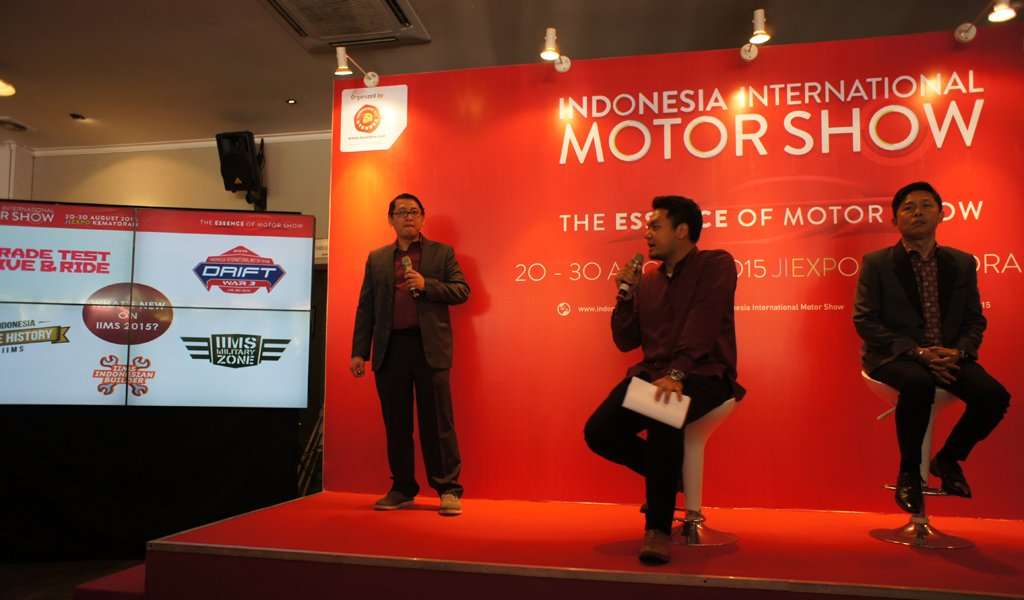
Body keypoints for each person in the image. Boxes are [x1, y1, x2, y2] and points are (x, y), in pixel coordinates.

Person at [584, 195, 744, 565]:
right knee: (599, 431)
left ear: (682, 230)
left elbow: (703, 323)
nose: (647, 234)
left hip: (705, 373)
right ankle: (670, 478)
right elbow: (626, 341)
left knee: (663, 410)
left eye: (656, 226)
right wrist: (625, 297)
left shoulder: (715, 265)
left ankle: (657, 528)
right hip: (653, 375)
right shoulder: (648, 281)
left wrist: (677, 373)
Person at [853, 181, 1010, 514]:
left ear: (941, 214)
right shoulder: (877, 263)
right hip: (895, 356)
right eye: (908, 208)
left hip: (948, 355)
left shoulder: (961, 263)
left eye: (926, 205)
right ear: (895, 219)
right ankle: (910, 473)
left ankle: (948, 459)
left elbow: (974, 319)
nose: (918, 213)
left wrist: (960, 352)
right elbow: (865, 320)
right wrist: (916, 352)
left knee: (994, 396)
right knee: (917, 382)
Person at [350, 192, 470, 516]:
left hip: (430, 348)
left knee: (438, 423)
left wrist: (427, 284)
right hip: (391, 349)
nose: (408, 217)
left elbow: (462, 290)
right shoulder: (377, 259)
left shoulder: (442, 253)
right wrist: (359, 351)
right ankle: (402, 487)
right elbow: (366, 307)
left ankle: (448, 489)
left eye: (414, 212)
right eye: (401, 212)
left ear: (422, 218)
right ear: (390, 219)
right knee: (397, 424)